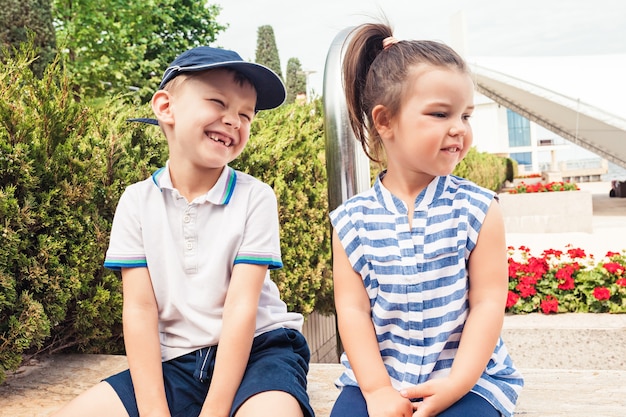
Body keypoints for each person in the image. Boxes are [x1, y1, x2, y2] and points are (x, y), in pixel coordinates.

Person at [52, 46, 314, 417]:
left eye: (245, 114)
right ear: (165, 107)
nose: (234, 121)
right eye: (218, 102)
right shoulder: (136, 202)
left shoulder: (255, 197)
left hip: (261, 350)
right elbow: (140, 310)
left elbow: (242, 308)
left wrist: (215, 411)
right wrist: (155, 411)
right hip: (178, 359)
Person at [328, 23, 524, 417]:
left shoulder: (479, 209)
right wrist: (379, 389)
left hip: (471, 380)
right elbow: (352, 311)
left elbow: (487, 302)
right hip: (378, 378)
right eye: (440, 113)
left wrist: (458, 383)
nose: (459, 129)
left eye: (465, 115)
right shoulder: (351, 220)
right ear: (384, 121)